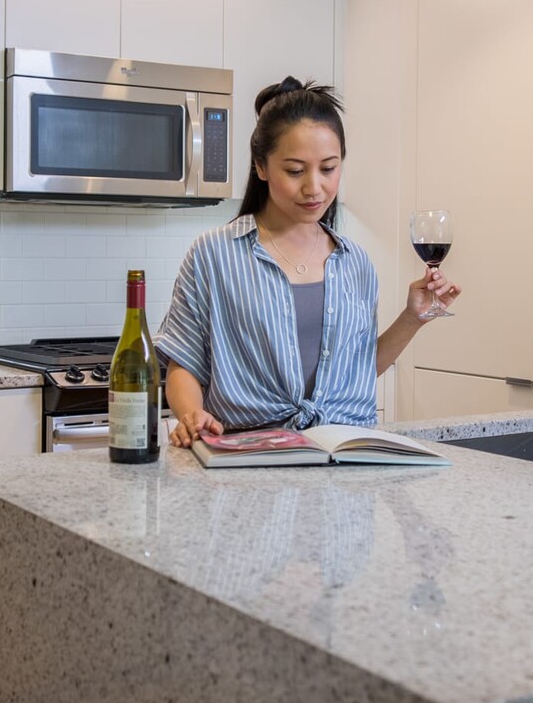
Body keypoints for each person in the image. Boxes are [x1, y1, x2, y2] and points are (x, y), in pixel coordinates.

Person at [157, 76, 460, 448]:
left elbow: (359, 372)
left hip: (346, 457)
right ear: (261, 167)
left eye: (328, 169)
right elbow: (184, 363)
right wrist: (192, 414)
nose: (314, 187)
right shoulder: (214, 255)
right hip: (249, 458)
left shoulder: (355, 262)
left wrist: (413, 318)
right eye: (295, 171)